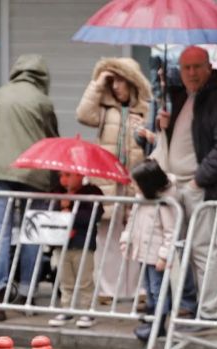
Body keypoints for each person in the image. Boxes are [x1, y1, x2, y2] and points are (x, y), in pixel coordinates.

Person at [155, 46, 217, 320]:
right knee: (185, 248)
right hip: (179, 185)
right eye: (186, 67)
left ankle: (209, 313)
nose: (192, 73)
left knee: (203, 250)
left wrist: (199, 180)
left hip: (198, 186)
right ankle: (194, 306)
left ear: (209, 67)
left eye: (197, 67)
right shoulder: (184, 96)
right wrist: (164, 126)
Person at [0, 54, 59, 322]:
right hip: (34, 172)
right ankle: (26, 293)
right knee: (32, 232)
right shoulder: (43, 101)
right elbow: (52, 140)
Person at [75, 57, 152, 305]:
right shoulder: (105, 109)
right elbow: (83, 114)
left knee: (137, 235)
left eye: (121, 80)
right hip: (108, 181)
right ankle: (108, 289)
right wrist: (99, 82)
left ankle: (140, 289)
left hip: (135, 181)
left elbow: (156, 141)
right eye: (113, 81)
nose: (116, 86)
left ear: (132, 82)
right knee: (107, 235)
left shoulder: (145, 110)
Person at [120, 159, 178, 342]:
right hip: (143, 252)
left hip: (155, 255)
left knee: (157, 290)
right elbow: (132, 221)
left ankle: (158, 324)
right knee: (149, 289)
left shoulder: (163, 203)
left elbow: (170, 231)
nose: (133, 186)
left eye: (136, 183)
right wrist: (126, 240)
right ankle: (152, 320)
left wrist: (164, 256)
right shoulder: (140, 199)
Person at [46, 171, 105, 329]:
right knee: (65, 280)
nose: (64, 180)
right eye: (61, 176)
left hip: (82, 243)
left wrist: (71, 212)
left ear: (80, 176)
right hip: (61, 243)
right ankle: (67, 308)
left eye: (68, 175)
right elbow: (48, 214)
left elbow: (94, 215)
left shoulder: (92, 192)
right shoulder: (57, 193)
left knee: (85, 280)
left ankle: (88, 310)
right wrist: (60, 207)